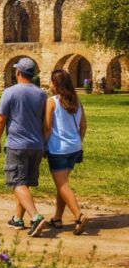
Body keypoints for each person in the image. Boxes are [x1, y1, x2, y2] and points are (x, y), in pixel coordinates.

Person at [0, 57, 48, 237]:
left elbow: (1, 119)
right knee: (24, 183)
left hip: (17, 144)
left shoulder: (10, 92)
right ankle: (18, 218)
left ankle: (36, 217)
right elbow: (45, 121)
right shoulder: (41, 94)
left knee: (16, 182)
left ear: (18, 72)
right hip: (37, 145)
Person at [44, 69, 89, 235]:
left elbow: (47, 127)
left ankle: (79, 215)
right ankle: (57, 218)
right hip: (74, 148)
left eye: (51, 81)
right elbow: (83, 126)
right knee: (61, 184)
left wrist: (43, 146)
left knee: (62, 185)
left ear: (55, 84)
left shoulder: (52, 102)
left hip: (58, 149)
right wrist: (77, 141)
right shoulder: (77, 102)